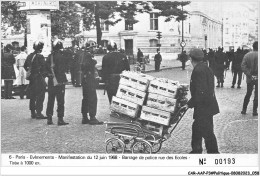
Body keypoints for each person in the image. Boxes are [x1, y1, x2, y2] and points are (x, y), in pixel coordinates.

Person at [184, 48, 220, 154]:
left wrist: (189, 104)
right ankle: (196, 150)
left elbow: (201, 92)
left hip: (204, 107)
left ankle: (213, 153)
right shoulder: (205, 68)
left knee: (207, 131)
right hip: (207, 105)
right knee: (197, 128)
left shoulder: (198, 70)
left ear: (191, 59)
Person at [45, 40, 69, 125]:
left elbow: (45, 69)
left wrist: (49, 75)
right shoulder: (61, 57)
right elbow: (62, 70)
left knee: (50, 99)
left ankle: (49, 118)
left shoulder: (49, 56)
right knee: (60, 100)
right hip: (59, 81)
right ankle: (60, 119)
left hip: (51, 81)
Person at [80, 42, 103, 125]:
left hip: (85, 79)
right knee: (92, 98)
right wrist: (94, 61)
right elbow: (86, 65)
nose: (94, 49)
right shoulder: (88, 56)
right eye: (93, 47)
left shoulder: (83, 54)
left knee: (85, 99)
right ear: (89, 48)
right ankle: (92, 118)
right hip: (89, 79)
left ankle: (85, 117)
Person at [24, 41, 47, 119]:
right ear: (40, 48)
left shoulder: (30, 56)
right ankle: (39, 112)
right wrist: (44, 75)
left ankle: (33, 113)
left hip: (32, 79)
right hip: (39, 78)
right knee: (40, 95)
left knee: (32, 96)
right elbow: (44, 68)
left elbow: (25, 66)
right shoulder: (40, 56)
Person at [241, 41, 258, 116]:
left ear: (253, 47)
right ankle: (254, 111)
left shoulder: (247, 55)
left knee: (248, 93)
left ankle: (244, 109)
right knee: (257, 95)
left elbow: (243, 66)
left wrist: (249, 74)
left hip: (250, 77)